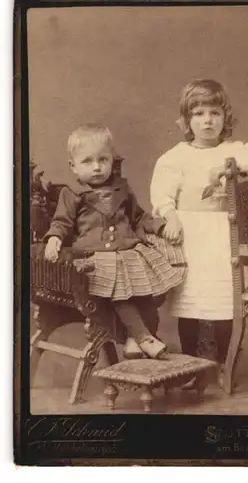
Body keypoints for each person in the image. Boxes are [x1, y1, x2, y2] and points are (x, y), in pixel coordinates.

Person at [150, 79, 248, 381]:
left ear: (225, 117)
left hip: (223, 239)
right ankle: (191, 365)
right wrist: (170, 216)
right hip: (191, 238)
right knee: (191, 303)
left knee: (224, 303)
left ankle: (223, 363)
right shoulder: (176, 156)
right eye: (199, 113)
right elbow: (161, 193)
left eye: (215, 113)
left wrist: (227, 166)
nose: (207, 121)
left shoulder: (234, 149)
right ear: (187, 119)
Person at [44, 124, 186, 360]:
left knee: (145, 291)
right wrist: (54, 238)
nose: (97, 167)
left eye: (103, 160)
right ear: (73, 166)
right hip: (95, 259)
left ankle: (133, 340)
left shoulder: (122, 189)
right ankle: (144, 337)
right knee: (120, 292)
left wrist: (159, 226)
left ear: (112, 160)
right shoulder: (71, 195)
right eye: (87, 161)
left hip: (128, 253)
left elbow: (138, 217)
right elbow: (62, 222)